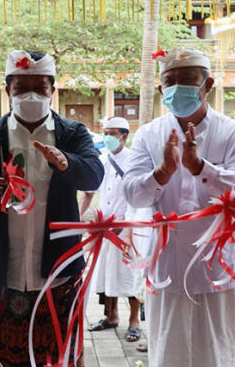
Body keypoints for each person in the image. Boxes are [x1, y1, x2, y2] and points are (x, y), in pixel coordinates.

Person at [0, 50, 104, 367]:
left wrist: (67, 162)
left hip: (59, 276)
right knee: (5, 357)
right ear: (8, 90)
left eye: (40, 86)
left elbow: (94, 174)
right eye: (22, 86)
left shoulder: (72, 133)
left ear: (53, 89)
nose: (31, 94)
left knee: (60, 356)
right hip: (5, 275)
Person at [123, 48, 235, 367]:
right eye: (170, 81)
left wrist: (201, 168)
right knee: (167, 354)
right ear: (160, 89)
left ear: (207, 84)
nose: (177, 87)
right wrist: (161, 174)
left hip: (218, 270)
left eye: (188, 80)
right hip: (167, 268)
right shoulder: (147, 136)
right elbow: (133, 195)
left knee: (218, 354)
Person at [79, 117, 145, 343]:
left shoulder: (134, 162)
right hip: (103, 227)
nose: (107, 136)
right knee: (106, 274)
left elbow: (138, 197)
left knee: (129, 275)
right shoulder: (101, 160)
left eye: (112, 133)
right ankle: (111, 316)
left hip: (126, 228)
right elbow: (89, 191)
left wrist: (126, 225)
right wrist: (79, 216)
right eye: (105, 132)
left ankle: (134, 321)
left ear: (124, 137)